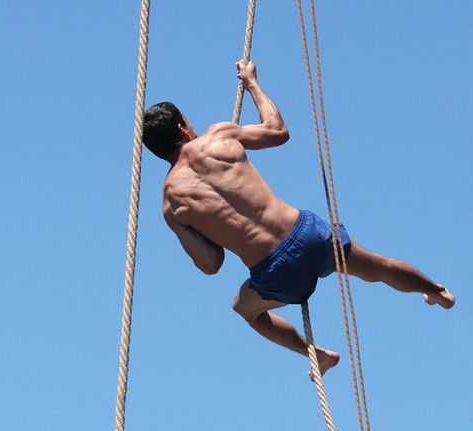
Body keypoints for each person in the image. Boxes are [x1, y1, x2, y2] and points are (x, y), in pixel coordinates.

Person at [142, 60, 455, 378]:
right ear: (183, 128)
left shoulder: (171, 204)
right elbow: (278, 131)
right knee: (377, 267)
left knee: (244, 308)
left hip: (277, 273)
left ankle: (316, 354)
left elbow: (211, 264)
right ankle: (438, 291)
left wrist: (212, 228)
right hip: (306, 232)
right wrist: (251, 83)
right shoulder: (217, 137)